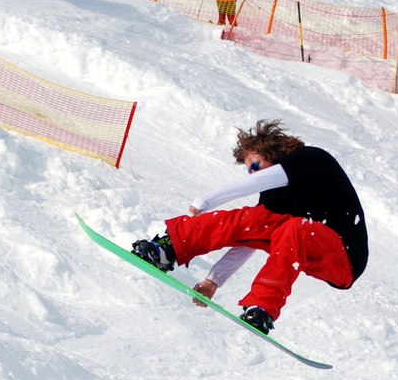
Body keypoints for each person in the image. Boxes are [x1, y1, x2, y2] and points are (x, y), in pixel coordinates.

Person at [130, 119, 368, 335]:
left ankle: (263, 308)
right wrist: (214, 280)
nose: (253, 173)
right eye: (249, 171)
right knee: (254, 219)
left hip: (345, 255)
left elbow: (260, 180)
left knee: (295, 228)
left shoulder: (309, 159)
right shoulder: (276, 197)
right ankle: (167, 249)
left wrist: (206, 200)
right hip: (310, 245)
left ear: (271, 153)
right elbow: (249, 238)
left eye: (255, 165)